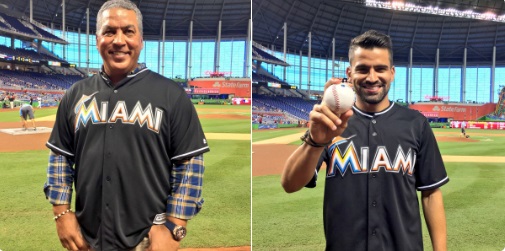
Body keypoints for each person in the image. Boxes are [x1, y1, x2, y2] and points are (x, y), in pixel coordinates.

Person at [43, 0, 210, 250]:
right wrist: (61, 214)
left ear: (140, 40)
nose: (119, 40)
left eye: (128, 31)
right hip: (87, 238)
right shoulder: (75, 95)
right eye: (109, 31)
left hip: (148, 240)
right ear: (97, 39)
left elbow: (189, 164)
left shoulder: (170, 95)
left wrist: (175, 226)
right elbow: (60, 157)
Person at [282, 30, 448, 251]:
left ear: (392, 73)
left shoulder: (415, 123)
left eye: (380, 69)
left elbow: (431, 193)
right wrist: (315, 141)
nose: (371, 77)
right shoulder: (332, 123)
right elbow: (290, 184)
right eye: (362, 69)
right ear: (350, 74)